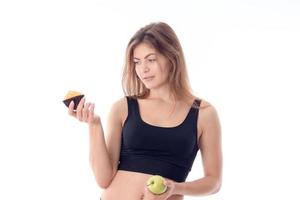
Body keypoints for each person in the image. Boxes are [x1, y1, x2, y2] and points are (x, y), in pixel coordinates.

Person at [67, 22, 222, 200]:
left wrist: (175, 187)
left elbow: (214, 182)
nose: (143, 69)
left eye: (151, 59)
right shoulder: (123, 108)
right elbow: (103, 179)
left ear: (172, 57)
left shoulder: (203, 113)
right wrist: (94, 125)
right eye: (137, 62)